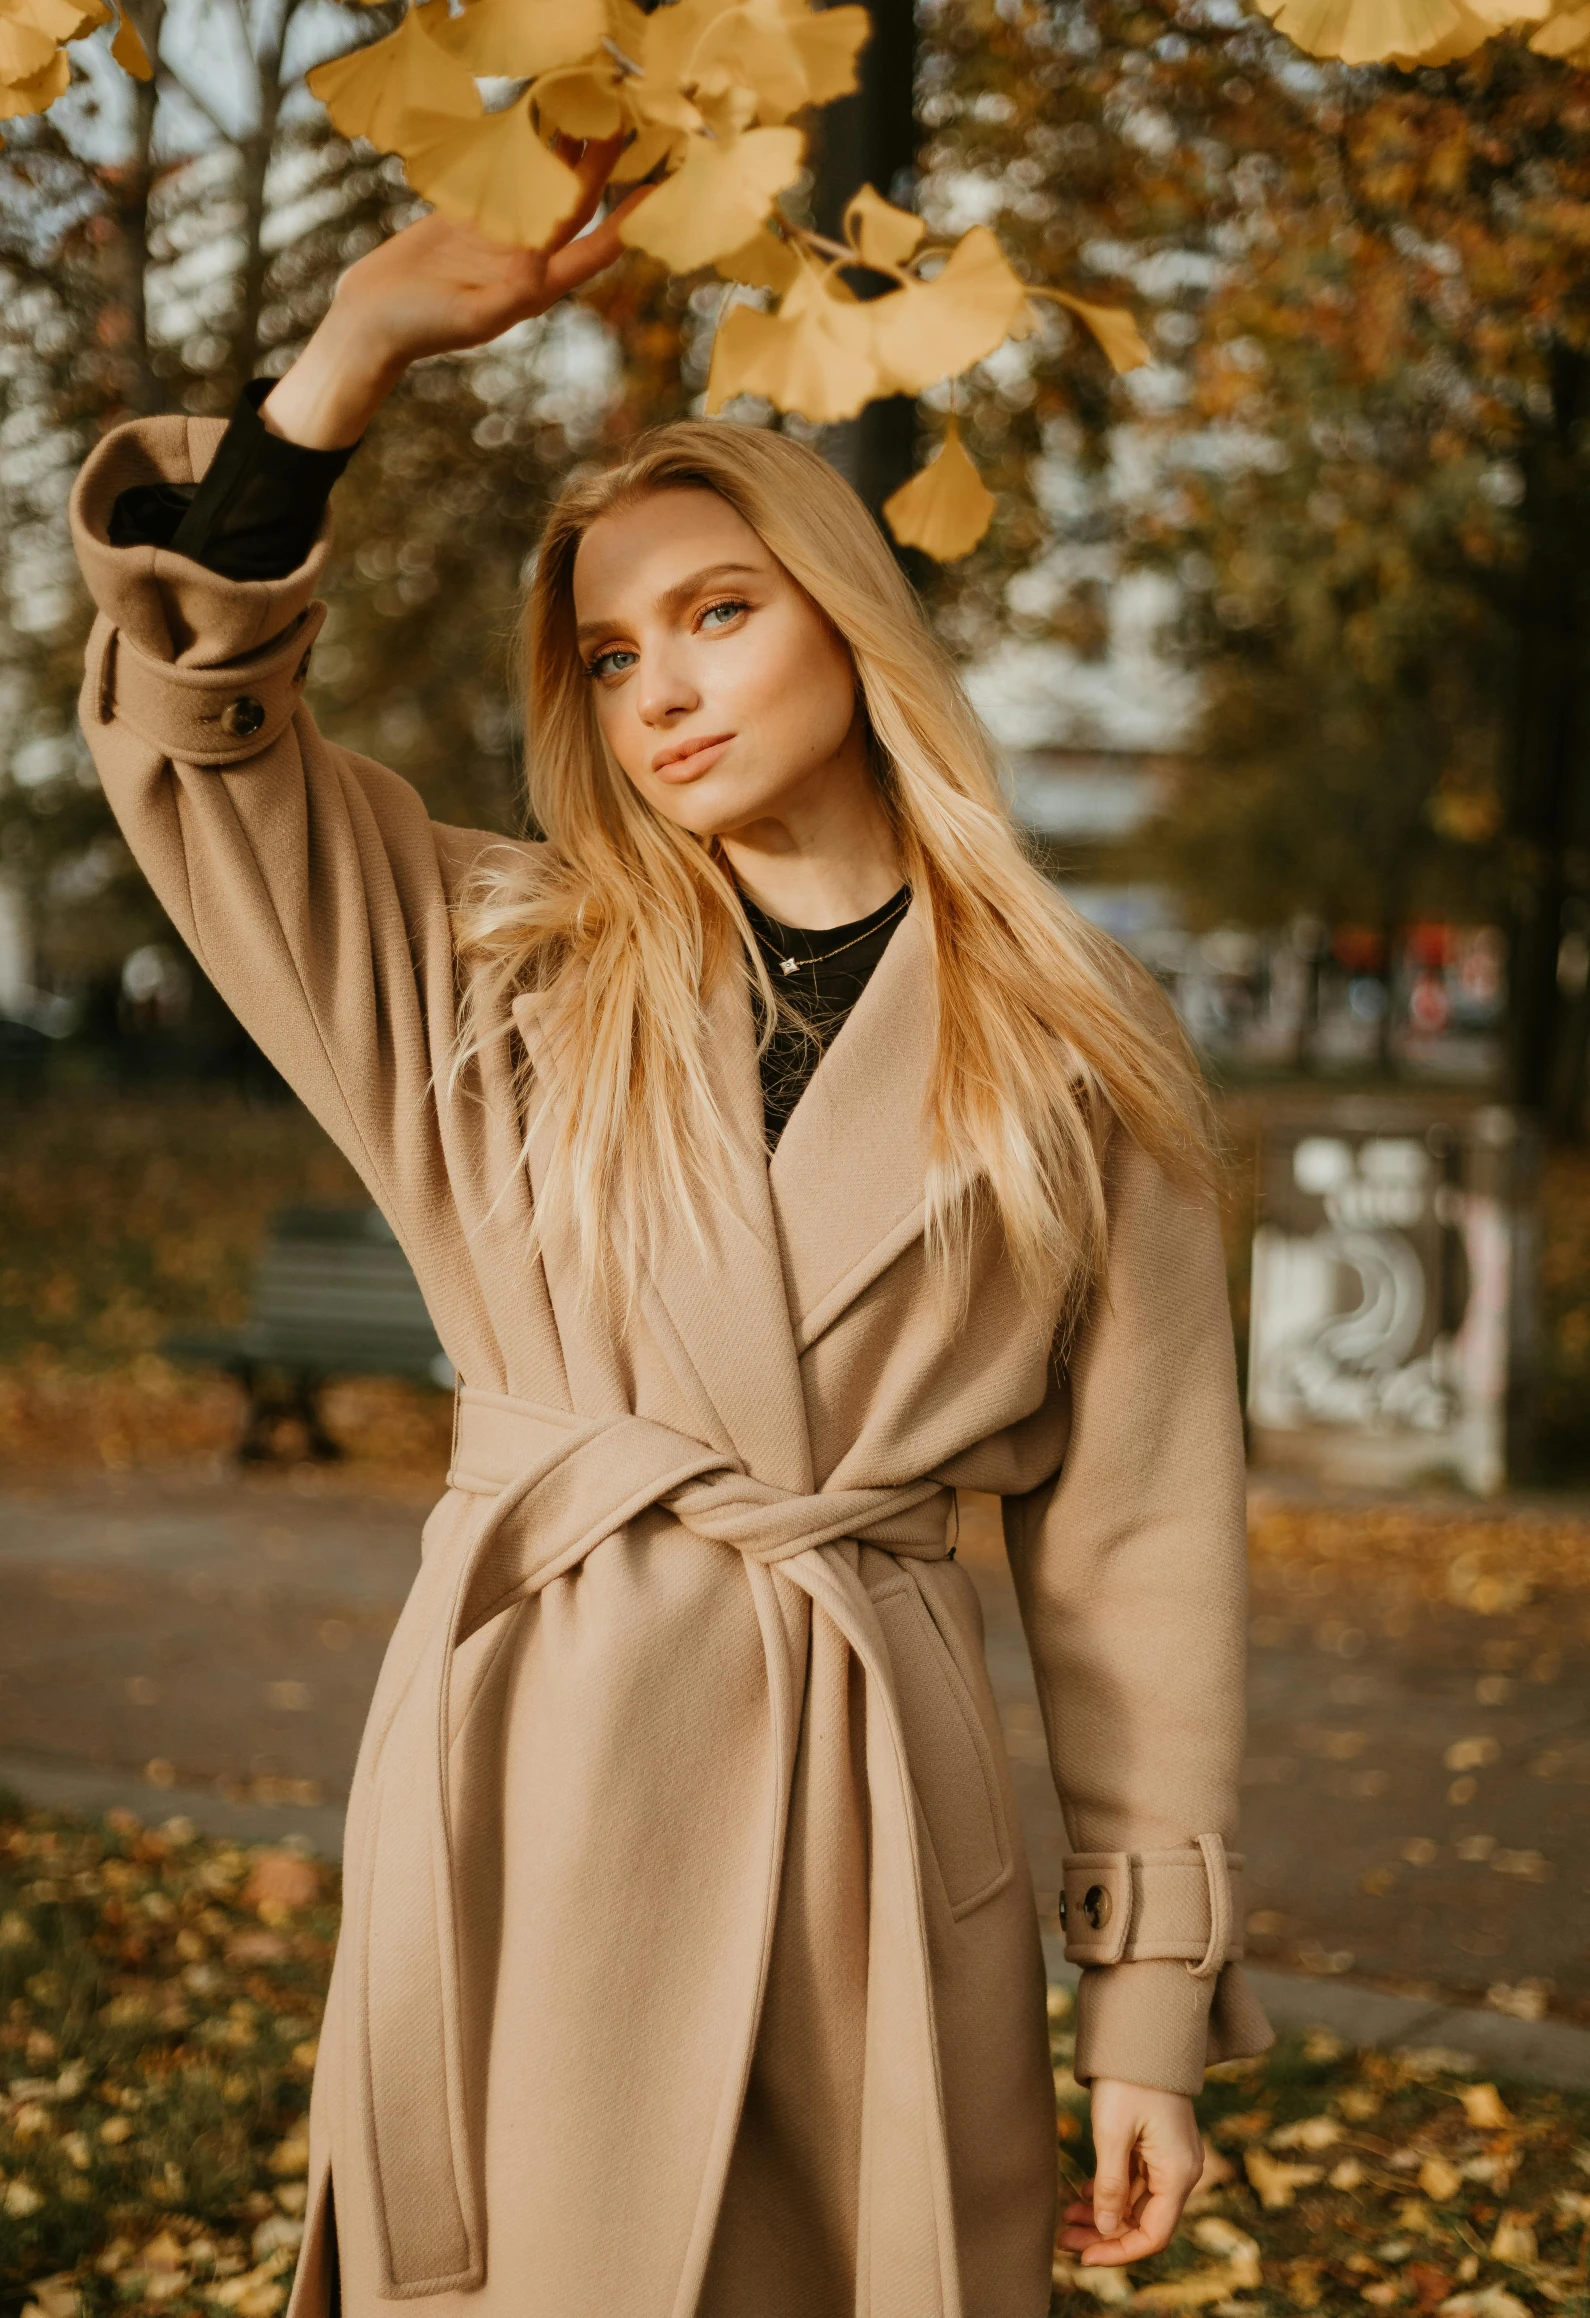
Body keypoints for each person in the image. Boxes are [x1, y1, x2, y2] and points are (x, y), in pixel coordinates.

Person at [71, 136, 1270, 2318]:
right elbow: (202, 744)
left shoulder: (1087, 1049)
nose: (668, 691)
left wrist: (1152, 2017)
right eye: (615, 658)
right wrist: (344, 362)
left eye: (717, 613)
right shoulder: (492, 973)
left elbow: (1139, 1563)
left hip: (881, 1804)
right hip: (545, 1763)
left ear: (849, 621)